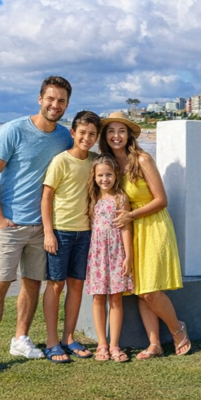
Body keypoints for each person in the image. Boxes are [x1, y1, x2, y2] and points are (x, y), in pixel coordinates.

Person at [0, 75, 74, 379]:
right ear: (40, 99)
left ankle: (20, 339)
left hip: (43, 226)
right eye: (51, 99)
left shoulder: (64, 137)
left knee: (33, 283)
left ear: (67, 105)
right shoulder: (13, 130)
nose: (55, 105)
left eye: (62, 101)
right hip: (10, 225)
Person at [102, 111, 191, 358]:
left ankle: (177, 330)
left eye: (121, 130)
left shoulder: (141, 159)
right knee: (141, 288)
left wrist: (131, 216)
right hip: (128, 231)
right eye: (110, 131)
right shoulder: (108, 164)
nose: (116, 136)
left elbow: (162, 200)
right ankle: (155, 344)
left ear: (129, 134)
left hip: (152, 225)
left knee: (150, 289)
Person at [40, 110, 100, 364]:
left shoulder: (96, 161)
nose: (87, 138)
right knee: (56, 284)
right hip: (61, 232)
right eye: (82, 133)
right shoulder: (60, 161)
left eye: (92, 134)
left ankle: (68, 337)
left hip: (86, 233)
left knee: (77, 285)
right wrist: (48, 232)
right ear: (73, 133)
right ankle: (52, 342)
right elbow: (46, 197)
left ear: (96, 138)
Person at [85, 155, 134, 363]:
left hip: (116, 253)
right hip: (97, 254)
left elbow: (125, 227)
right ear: (94, 177)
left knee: (115, 298)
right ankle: (101, 344)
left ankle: (114, 344)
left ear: (116, 176)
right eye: (100, 175)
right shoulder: (92, 198)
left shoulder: (120, 198)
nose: (104, 179)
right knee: (98, 297)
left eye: (108, 174)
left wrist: (128, 256)